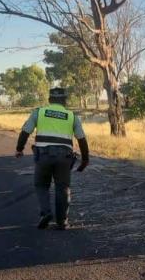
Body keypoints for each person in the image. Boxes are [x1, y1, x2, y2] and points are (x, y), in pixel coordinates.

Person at [15, 87, 90, 229]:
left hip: (43, 156)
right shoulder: (72, 116)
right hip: (64, 157)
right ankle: (62, 222)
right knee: (62, 188)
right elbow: (82, 139)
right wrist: (85, 160)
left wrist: (19, 149)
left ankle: (46, 213)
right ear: (64, 101)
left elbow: (25, 131)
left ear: (49, 100)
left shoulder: (39, 112)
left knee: (41, 185)